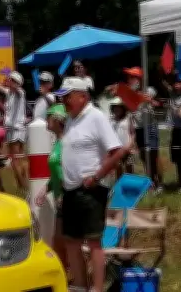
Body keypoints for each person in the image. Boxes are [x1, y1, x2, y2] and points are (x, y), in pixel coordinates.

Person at [57, 77, 126, 292]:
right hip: (70, 189)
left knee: (94, 241)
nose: (64, 101)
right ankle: (80, 286)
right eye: (63, 97)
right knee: (71, 240)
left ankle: (97, 288)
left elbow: (117, 151)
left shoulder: (96, 117)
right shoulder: (71, 119)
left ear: (82, 96)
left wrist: (96, 177)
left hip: (91, 189)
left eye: (68, 97)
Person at [34, 104, 68, 269]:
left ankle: (71, 274)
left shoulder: (67, 142)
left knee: (63, 241)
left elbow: (68, 171)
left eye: (48, 116)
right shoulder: (57, 142)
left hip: (67, 197)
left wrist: (63, 192)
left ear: (56, 119)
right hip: (59, 196)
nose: (46, 120)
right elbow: (56, 172)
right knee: (60, 240)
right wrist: (46, 188)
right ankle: (66, 273)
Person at [1, 71, 28, 191]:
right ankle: (23, 183)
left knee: (16, 160)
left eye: (11, 80)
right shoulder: (9, 93)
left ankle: (22, 185)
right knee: (19, 158)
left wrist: (13, 84)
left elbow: (17, 88)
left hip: (16, 129)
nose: (9, 81)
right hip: (13, 130)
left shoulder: (20, 92)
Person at [109, 97, 135, 177]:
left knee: (129, 167)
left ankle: (130, 183)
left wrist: (130, 145)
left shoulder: (128, 118)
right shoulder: (111, 120)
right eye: (115, 107)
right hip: (116, 149)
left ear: (123, 108)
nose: (117, 109)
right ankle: (119, 183)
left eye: (119, 107)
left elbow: (132, 133)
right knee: (118, 168)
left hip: (127, 148)